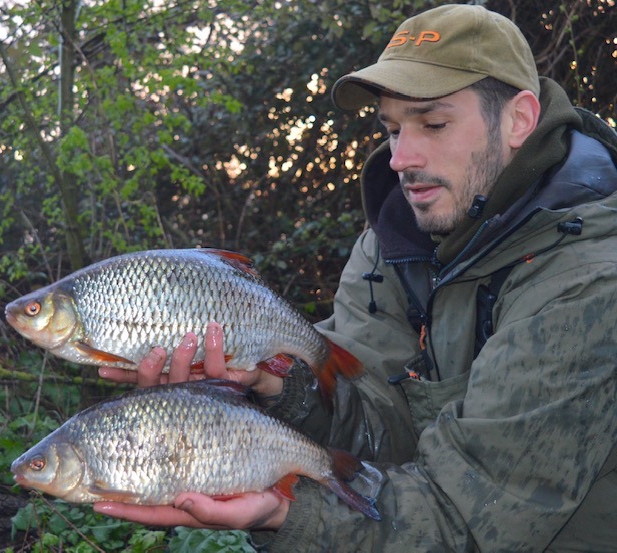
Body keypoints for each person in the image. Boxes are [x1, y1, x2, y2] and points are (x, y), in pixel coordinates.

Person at [94, 4, 617, 551]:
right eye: (392, 128)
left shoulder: (589, 279)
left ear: (518, 120)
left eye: (433, 123)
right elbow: (385, 428)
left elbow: (470, 518)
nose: (400, 157)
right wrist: (278, 383)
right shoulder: (394, 242)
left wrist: (283, 513)